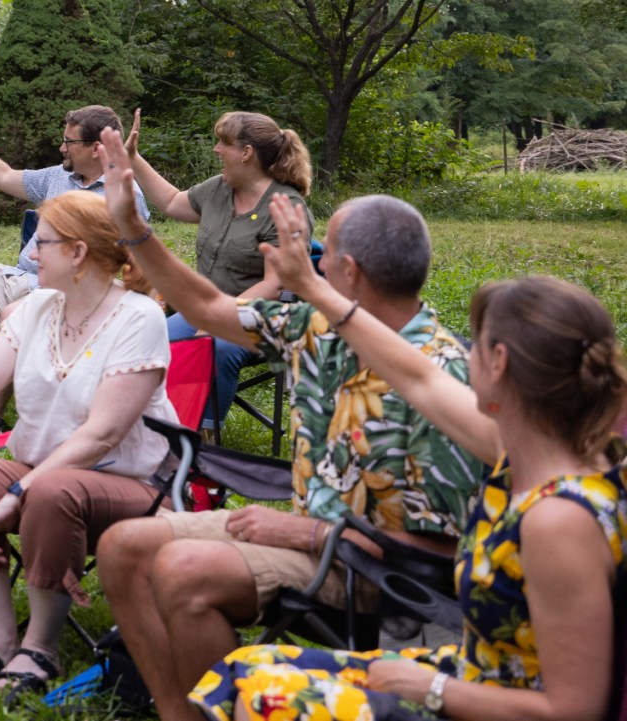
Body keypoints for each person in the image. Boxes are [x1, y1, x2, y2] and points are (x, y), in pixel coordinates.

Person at [94, 129, 484, 721]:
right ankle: (179, 712)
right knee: (123, 545)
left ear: (348, 271)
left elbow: (449, 547)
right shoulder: (315, 325)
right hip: (309, 535)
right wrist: (135, 231)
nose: (313, 261)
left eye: (320, 252)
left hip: (373, 567)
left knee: (184, 570)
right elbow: (207, 309)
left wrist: (307, 535)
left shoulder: (441, 377)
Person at [188, 198, 627, 721]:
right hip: (472, 673)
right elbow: (417, 375)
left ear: (500, 363)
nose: (457, 355)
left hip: (480, 700)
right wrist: (313, 289)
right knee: (246, 667)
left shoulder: (559, 519)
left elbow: (574, 710)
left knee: (263, 698)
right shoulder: (539, 449)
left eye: (476, 345)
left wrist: (428, 687)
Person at [0, 192, 177, 699]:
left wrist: (22, 487)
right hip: (43, 477)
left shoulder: (141, 317)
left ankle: (41, 647)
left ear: (77, 253)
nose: (29, 255)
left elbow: (102, 436)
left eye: (41, 243)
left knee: (53, 489)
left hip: (134, 490)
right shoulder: (36, 310)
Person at [0, 83, 149, 439]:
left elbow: (133, 265)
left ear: (96, 148)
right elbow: (2, 175)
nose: (62, 147)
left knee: (12, 314)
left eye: (70, 142)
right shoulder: (57, 177)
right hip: (23, 274)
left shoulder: (126, 196)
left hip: (70, 290)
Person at [124, 109, 314, 432]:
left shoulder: (285, 206)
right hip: (207, 308)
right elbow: (171, 201)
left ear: (246, 153)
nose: (216, 149)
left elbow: (272, 285)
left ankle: (202, 439)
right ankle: (151, 425)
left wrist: (220, 318)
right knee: (154, 339)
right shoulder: (219, 189)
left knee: (216, 347)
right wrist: (133, 158)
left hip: (264, 317)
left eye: (222, 142)